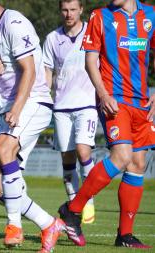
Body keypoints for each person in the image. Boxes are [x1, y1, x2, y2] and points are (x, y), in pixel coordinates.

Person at [0, 1, 65, 252]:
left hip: (32, 100)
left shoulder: (14, 23)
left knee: (4, 147)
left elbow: (29, 70)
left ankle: (14, 226)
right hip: (0, 109)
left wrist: (17, 109)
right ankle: (48, 223)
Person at [58, 0, 154, 249]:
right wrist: (102, 94)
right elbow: (90, 60)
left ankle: (124, 236)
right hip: (114, 99)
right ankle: (73, 210)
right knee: (122, 156)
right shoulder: (99, 17)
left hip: (142, 102)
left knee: (138, 163)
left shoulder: (151, 15)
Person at [42, 0, 97, 224]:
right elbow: (47, 71)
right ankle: (75, 205)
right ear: (59, 10)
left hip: (87, 104)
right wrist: (44, 100)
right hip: (61, 107)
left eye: (73, 9)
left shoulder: (92, 32)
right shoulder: (52, 39)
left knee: (84, 152)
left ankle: (88, 199)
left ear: (81, 10)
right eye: (65, 9)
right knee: (67, 157)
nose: (69, 14)